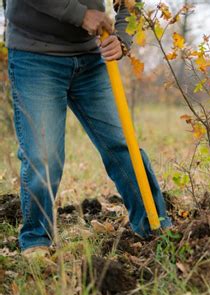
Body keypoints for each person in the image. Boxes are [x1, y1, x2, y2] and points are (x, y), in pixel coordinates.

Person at [5, 0, 172, 258]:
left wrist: (122, 38)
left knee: (122, 144)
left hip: (90, 59)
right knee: (44, 155)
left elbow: (130, 3)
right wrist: (80, 14)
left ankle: (155, 228)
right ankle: (36, 240)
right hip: (34, 55)